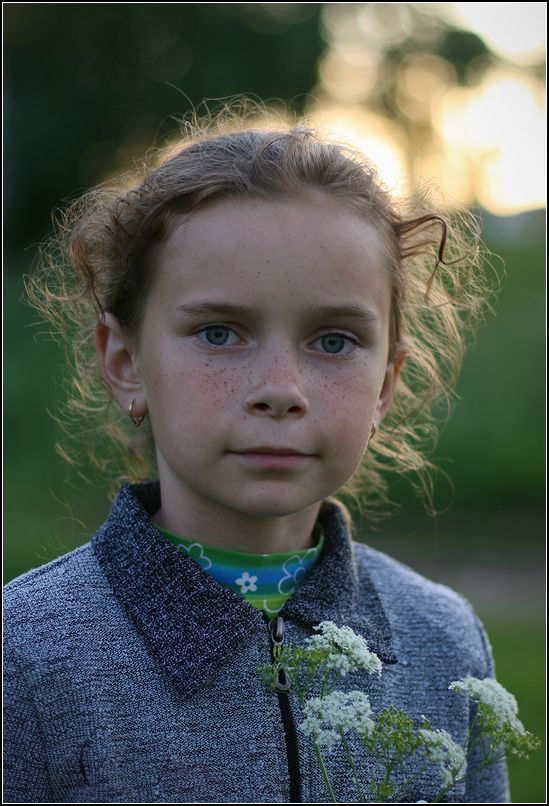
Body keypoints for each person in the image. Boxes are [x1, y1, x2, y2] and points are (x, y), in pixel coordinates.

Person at [4, 100, 510, 803]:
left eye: (333, 341)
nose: (281, 390)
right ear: (125, 362)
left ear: (386, 384)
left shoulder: (444, 641)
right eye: (219, 333)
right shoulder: (26, 657)